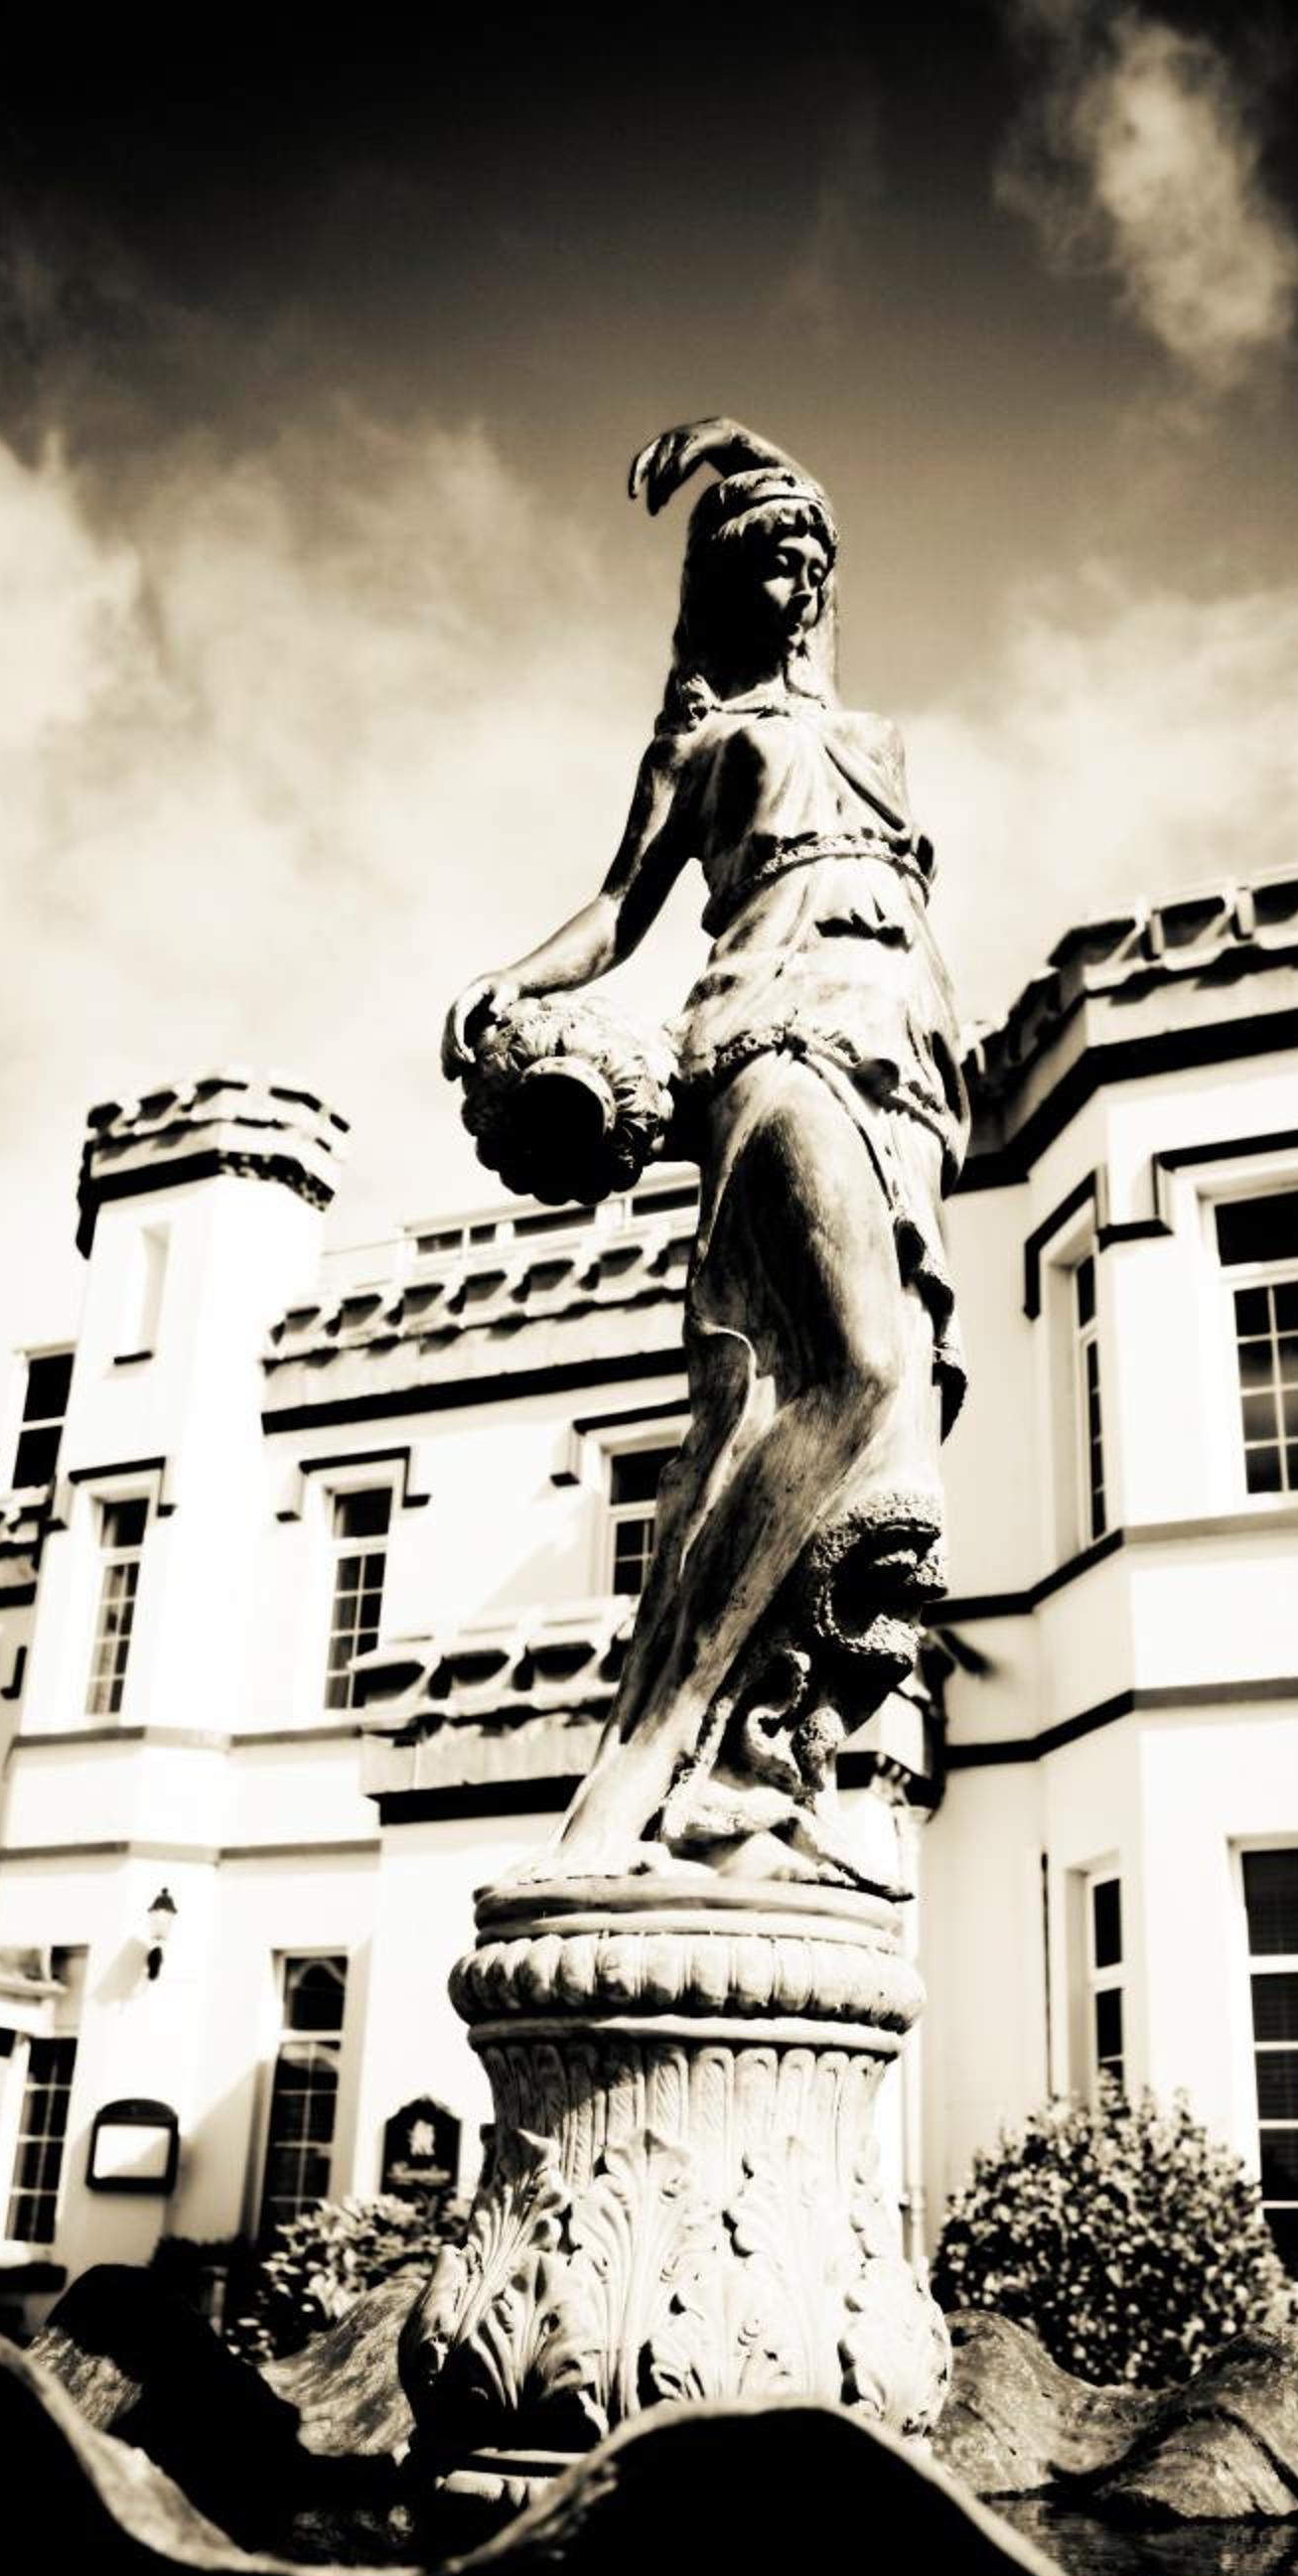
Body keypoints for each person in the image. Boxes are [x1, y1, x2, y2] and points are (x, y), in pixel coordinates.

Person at [446, 419, 968, 1884]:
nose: (795, 579)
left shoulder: (877, 740)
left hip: (907, 1053)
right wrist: (513, 980)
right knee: (854, 1371)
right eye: (766, 558)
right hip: (771, 1024)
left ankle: (764, 1761)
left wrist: (757, 447)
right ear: (726, 587)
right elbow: (622, 910)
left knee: (872, 1433)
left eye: (810, 557)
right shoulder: (701, 740)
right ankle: (647, 1754)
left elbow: (812, 559)